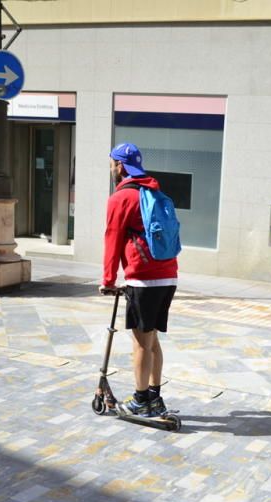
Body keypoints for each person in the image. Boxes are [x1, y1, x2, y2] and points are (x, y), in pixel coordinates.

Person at [101, 142, 178, 417]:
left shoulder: (120, 198)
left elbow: (112, 240)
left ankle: (141, 400)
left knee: (140, 343)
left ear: (120, 166)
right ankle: (155, 398)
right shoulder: (155, 191)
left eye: (112, 163)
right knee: (152, 341)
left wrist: (108, 280)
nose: (111, 168)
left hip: (143, 280)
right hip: (168, 276)